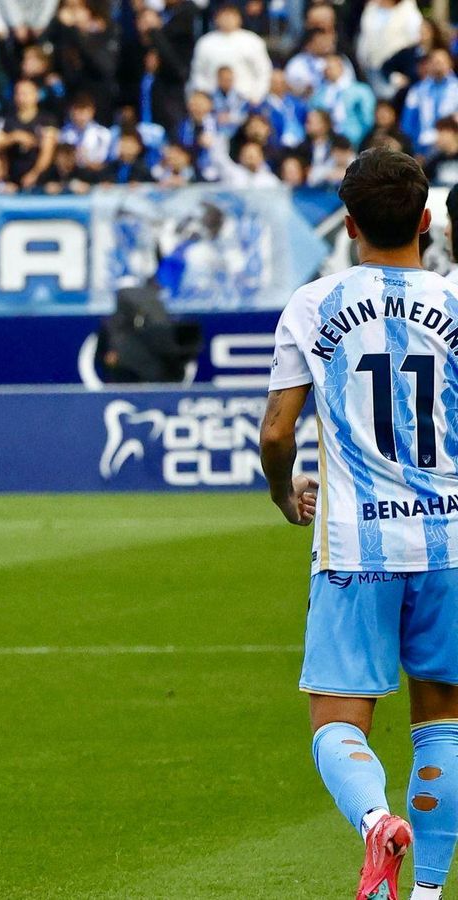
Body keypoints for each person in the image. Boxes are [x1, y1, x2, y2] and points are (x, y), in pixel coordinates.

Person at [262, 147, 458, 900]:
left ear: (347, 225)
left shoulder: (313, 303)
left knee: (338, 720)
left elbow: (278, 434)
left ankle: (378, 821)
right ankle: (430, 895)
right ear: (426, 219)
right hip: (445, 543)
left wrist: (285, 495)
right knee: (441, 722)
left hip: (355, 546)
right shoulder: (451, 302)